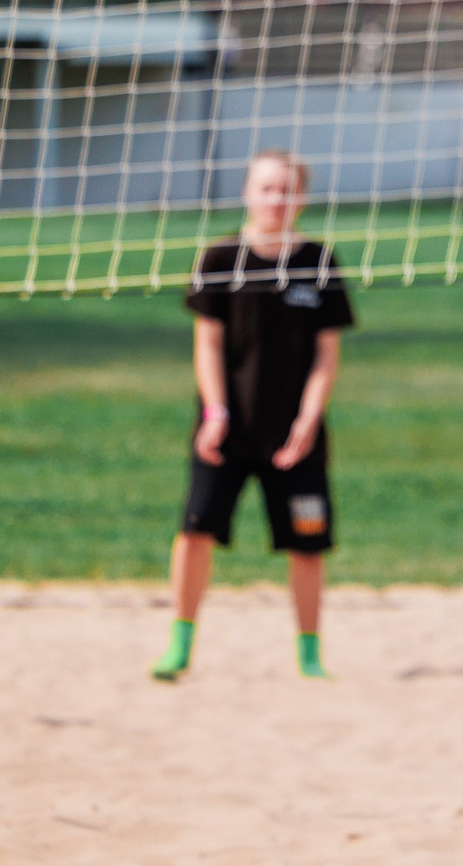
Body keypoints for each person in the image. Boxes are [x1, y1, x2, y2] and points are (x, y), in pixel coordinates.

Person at [151, 149, 356, 682]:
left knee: (307, 542)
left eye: (286, 190)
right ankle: (180, 645)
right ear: (247, 192)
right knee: (195, 531)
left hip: (295, 433)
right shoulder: (220, 258)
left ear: (302, 199)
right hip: (227, 427)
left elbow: (326, 355)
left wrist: (309, 420)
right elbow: (207, 346)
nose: (276, 199)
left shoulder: (318, 259)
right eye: (266, 188)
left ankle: (310, 654)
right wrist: (215, 412)